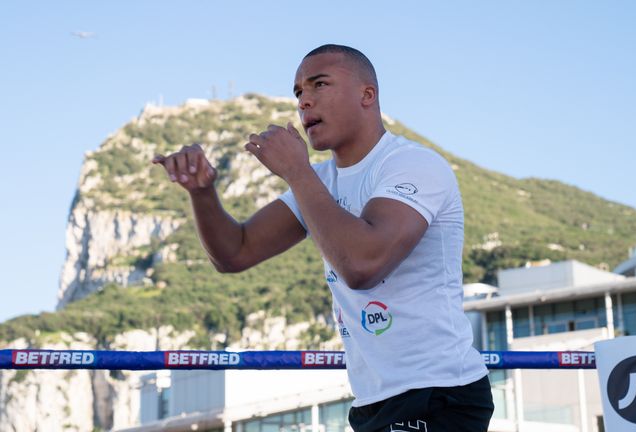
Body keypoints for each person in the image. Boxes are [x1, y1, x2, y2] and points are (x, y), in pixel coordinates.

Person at [152, 44, 493, 431]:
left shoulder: (412, 164)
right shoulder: (321, 182)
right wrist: (202, 193)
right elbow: (235, 252)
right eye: (298, 92)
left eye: (319, 84)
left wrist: (297, 172)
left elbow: (363, 266)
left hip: (439, 394)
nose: (304, 100)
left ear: (368, 95)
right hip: (373, 401)